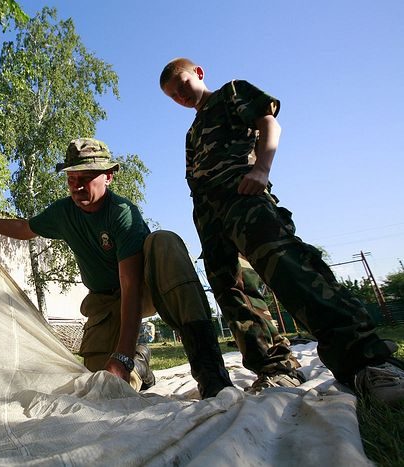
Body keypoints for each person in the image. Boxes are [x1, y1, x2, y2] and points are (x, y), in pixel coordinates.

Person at [159, 57, 404, 404]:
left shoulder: (231, 93)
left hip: (245, 199)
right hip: (210, 219)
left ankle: (367, 362)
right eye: (173, 95)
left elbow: (269, 123)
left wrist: (261, 169)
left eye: (182, 84)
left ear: (198, 73)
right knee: (233, 293)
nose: (181, 95)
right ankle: (275, 368)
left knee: (289, 269)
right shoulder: (192, 132)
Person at [0, 137, 233, 398]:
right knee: (102, 382)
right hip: (103, 303)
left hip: (145, 290)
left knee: (165, 241)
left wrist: (121, 355)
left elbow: (131, 286)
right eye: (71, 179)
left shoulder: (122, 213)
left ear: (108, 176)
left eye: (86, 178)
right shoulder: (63, 212)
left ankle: (211, 373)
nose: (77, 187)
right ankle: (141, 364)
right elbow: (24, 228)